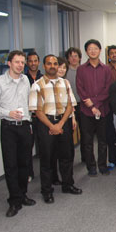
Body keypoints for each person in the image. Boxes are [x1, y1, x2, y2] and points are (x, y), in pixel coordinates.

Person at [0, 50, 36, 217]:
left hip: (24, 126)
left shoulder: (25, 81)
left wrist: (28, 122)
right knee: (11, 165)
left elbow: (28, 103)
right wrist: (8, 113)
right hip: (8, 127)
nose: (20, 65)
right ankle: (14, 200)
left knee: (25, 163)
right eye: (17, 62)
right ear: (9, 63)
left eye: (23, 62)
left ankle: (23, 195)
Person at [29, 54, 82, 204]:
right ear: (44, 66)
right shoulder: (37, 85)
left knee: (66, 157)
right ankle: (47, 191)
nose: (52, 66)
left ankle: (68, 184)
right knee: (46, 159)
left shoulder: (65, 83)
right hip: (46, 125)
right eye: (49, 64)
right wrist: (52, 126)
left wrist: (60, 124)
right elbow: (37, 110)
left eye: (55, 64)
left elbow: (70, 105)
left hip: (63, 122)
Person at [76, 39, 112, 176]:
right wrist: (91, 106)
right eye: (90, 49)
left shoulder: (106, 69)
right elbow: (80, 89)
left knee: (103, 140)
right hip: (86, 111)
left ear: (100, 50)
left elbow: (107, 89)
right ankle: (91, 166)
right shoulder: (81, 69)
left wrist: (96, 104)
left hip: (102, 110)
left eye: (95, 48)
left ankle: (102, 165)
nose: (93, 51)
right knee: (87, 140)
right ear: (86, 52)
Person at [50, 57, 77, 186]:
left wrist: (73, 118)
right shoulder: (43, 83)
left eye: (64, 67)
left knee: (67, 151)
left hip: (67, 119)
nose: (61, 69)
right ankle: (54, 178)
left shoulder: (66, 83)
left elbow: (71, 103)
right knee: (52, 152)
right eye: (59, 66)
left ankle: (67, 181)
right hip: (51, 121)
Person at [25, 51, 43, 180]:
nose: (33, 63)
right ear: (27, 63)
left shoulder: (44, 78)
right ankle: (29, 173)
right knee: (27, 147)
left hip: (43, 118)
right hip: (29, 119)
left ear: (38, 62)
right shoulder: (23, 79)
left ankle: (46, 172)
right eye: (30, 61)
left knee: (44, 147)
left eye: (35, 61)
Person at [106, 45, 116, 169]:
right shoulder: (106, 69)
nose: (114, 55)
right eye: (112, 53)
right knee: (111, 134)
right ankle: (112, 159)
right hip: (110, 105)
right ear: (108, 56)